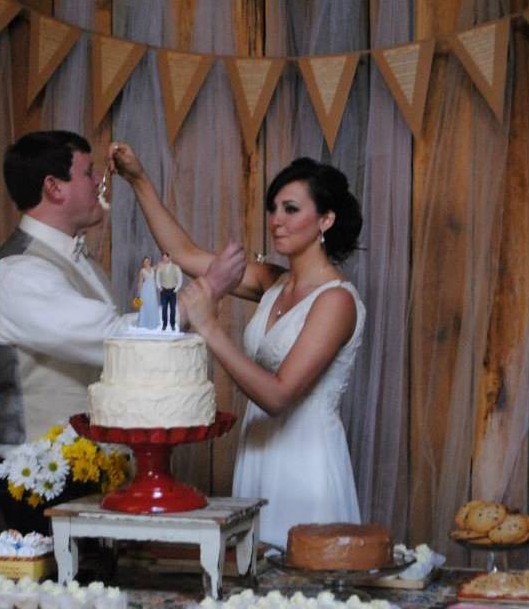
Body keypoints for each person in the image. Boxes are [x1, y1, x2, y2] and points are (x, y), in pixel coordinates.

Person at [0, 130, 244, 529]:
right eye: (87, 173)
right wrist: (208, 288)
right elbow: (114, 341)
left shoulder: (77, 260)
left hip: (91, 465)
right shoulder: (18, 274)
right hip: (41, 474)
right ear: (54, 188)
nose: (100, 182)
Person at [109, 143, 365, 548]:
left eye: (291, 209)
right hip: (259, 450)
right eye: (273, 207)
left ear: (326, 220)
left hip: (307, 462)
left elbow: (279, 396)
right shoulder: (272, 281)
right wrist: (138, 180)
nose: (276, 220)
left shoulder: (337, 300)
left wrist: (211, 328)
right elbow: (184, 254)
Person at [156, 252, 183, 331]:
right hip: (164, 291)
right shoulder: (160, 268)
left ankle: (172, 324)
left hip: (172, 291)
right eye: (163, 258)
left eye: (165, 258)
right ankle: (164, 324)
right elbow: (157, 278)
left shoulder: (176, 267)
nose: (164, 259)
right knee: (164, 308)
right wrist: (159, 287)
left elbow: (180, 279)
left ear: (169, 258)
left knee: (172, 309)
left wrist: (176, 289)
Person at [135, 256, 160, 329]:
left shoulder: (152, 269)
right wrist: (139, 293)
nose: (147, 262)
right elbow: (140, 282)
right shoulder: (142, 271)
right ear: (143, 263)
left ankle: (153, 323)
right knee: (145, 305)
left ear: (150, 261)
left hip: (152, 290)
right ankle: (144, 323)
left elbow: (159, 265)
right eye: (145, 261)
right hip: (145, 290)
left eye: (148, 261)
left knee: (152, 304)